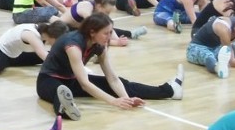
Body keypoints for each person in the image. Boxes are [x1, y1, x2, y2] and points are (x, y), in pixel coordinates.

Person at [36, 13, 183, 121]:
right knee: (59, 91)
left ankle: (169, 90)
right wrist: (113, 101)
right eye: (106, 33)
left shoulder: (99, 45)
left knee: (122, 83)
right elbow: (85, 84)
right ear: (92, 32)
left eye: (111, 32)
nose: (110, 36)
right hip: (48, 80)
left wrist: (126, 99)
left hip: (71, 80)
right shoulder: (73, 44)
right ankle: (64, 109)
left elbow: (112, 78)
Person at [0, 20, 69, 84]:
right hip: (0, 51)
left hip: (16, 53)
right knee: (2, 63)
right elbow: (43, 55)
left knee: (50, 55)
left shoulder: (44, 30)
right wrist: (63, 68)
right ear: (54, 37)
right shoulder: (32, 35)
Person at [186, 14, 235, 78]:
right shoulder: (224, 29)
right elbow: (231, 62)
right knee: (209, 57)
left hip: (217, 47)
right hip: (197, 47)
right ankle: (217, 68)